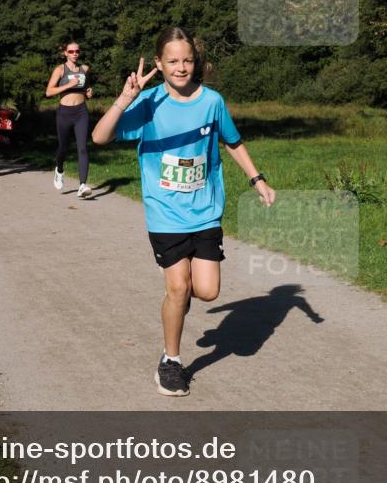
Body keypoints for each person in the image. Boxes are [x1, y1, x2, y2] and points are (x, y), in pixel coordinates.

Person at [92, 26, 276, 397]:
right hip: (165, 213)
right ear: (159, 64)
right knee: (178, 288)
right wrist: (124, 99)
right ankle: (170, 361)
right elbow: (99, 137)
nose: (181, 67)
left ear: (197, 62)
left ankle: (179, 303)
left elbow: (232, 142)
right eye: (173, 61)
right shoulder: (149, 103)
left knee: (206, 292)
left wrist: (258, 179)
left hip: (205, 210)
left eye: (188, 60)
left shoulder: (212, 102)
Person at [45, 41, 94, 199]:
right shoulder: (60, 70)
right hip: (64, 112)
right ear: (65, 53)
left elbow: (86, 88)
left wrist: (89, 92)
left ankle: (82, 185)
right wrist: (67, 86)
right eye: (71, 51)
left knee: (82, 148)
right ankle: (59, 169)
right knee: (63, 148)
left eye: (77, 51)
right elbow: (49, 92)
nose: (75, 54)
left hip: (81, 112)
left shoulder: (84, 69)